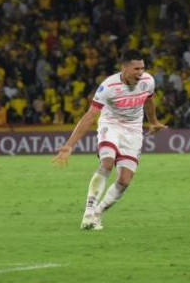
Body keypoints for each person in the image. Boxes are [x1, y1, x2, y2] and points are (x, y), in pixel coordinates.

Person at [53, 49, 166, 230]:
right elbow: (90, 116)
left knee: (125, 180)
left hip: (133, 131)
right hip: (111, 125)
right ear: (124, 68)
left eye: (142, 68)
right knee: (107, 162)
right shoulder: (108, 87)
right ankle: (89, 210)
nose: (140, 73)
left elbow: (149, 101)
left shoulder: (148, 82)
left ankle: (98, 213)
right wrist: (69, 145)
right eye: (136, 69)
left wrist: (153, 121)